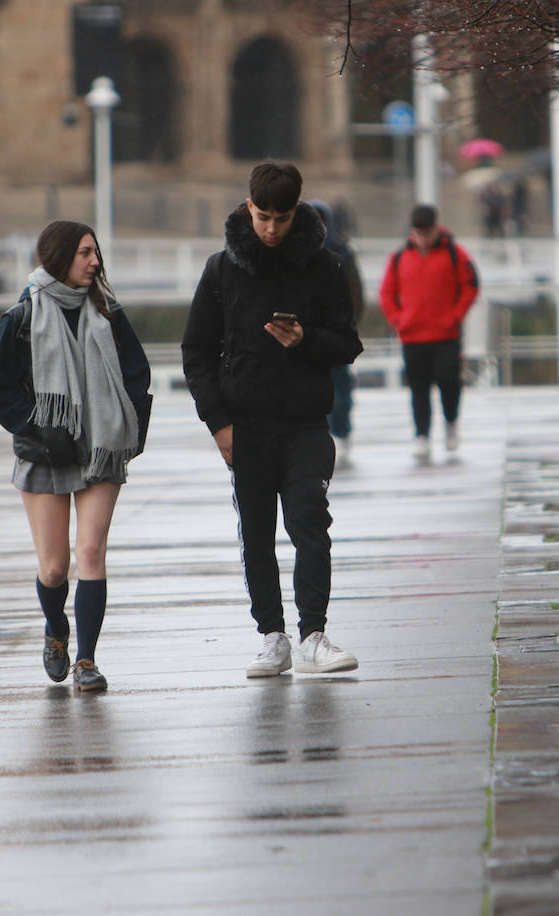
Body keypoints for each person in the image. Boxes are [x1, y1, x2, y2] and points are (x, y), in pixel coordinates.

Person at [181, 162, 364, 678]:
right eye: (263, 217)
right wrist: (218, 423)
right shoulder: (221, 269)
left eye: (282, 218)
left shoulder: (322, 266)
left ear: (296, 211)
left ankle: (314, 633)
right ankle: (272, 636)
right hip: (246, 424)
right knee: (256, 532)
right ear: (248, 207)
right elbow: (195, 351)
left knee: (309, 520)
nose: (271, 229)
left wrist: (306, 340)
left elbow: (349, 343)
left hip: (306, 421)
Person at [0, 220, 153, 692]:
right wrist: (42, 428)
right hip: (45, 454)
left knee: (91, 552)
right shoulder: (21, 318)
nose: (95, 261)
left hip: (102, 449)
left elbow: (137, 374)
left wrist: (129, 427)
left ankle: (86, 660)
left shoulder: (109, 312)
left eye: (95, 252)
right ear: (58, 257)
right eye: (84, 252)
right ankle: (57, 627)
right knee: (56, 567)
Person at [378, 204, 481, 458]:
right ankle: (422, 434)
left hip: (446, 334)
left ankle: (451, 422)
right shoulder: (399, 257)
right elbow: (386, 292)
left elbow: (470, 285)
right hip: (413, 335)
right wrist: (398, 320)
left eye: (427, 233)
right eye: (418, 233)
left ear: (436, 228)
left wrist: (456, 316)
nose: (423, 239)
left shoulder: (456, 253)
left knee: (449, 381)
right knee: (418, 388)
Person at [306, 198, 365, 463]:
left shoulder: (342, 251)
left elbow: (356, 291)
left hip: (336, 332)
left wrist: (349, 325)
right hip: (306, 334)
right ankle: (321, 434)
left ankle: (341, 432)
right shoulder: (296, 251)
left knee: (340, 388)